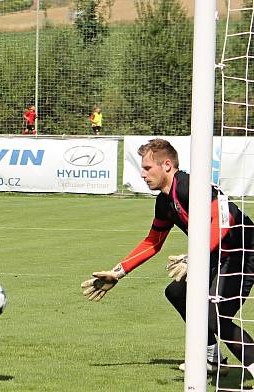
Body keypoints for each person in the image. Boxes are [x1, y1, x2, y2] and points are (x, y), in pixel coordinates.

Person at [81, 138, 254, 375]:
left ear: (167, 165)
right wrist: (118, 272)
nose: (142, 174)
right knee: (177, 292)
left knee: (212, 315)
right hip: (217, 254)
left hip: (242, 253)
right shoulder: (164, 201)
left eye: (147, 168)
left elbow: (224, 221)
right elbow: (153, 242)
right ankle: (212, 357)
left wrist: (196, 256)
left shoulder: (189, 185)